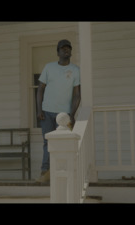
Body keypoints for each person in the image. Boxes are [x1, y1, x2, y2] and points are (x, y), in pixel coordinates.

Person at [35, 39, 81, 184]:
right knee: (47, 143)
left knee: (63, 144)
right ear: (58, 52)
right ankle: (45, 173)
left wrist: (72, 115)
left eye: (68, 48)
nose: (66, 50)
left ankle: (63, 174)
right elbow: (40, 89)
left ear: (71, 51)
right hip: (47, 112)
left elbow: (77, 94)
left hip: (64, 114)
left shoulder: (75, 70)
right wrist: (39, 109)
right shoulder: (49, 67)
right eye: (63, 48)